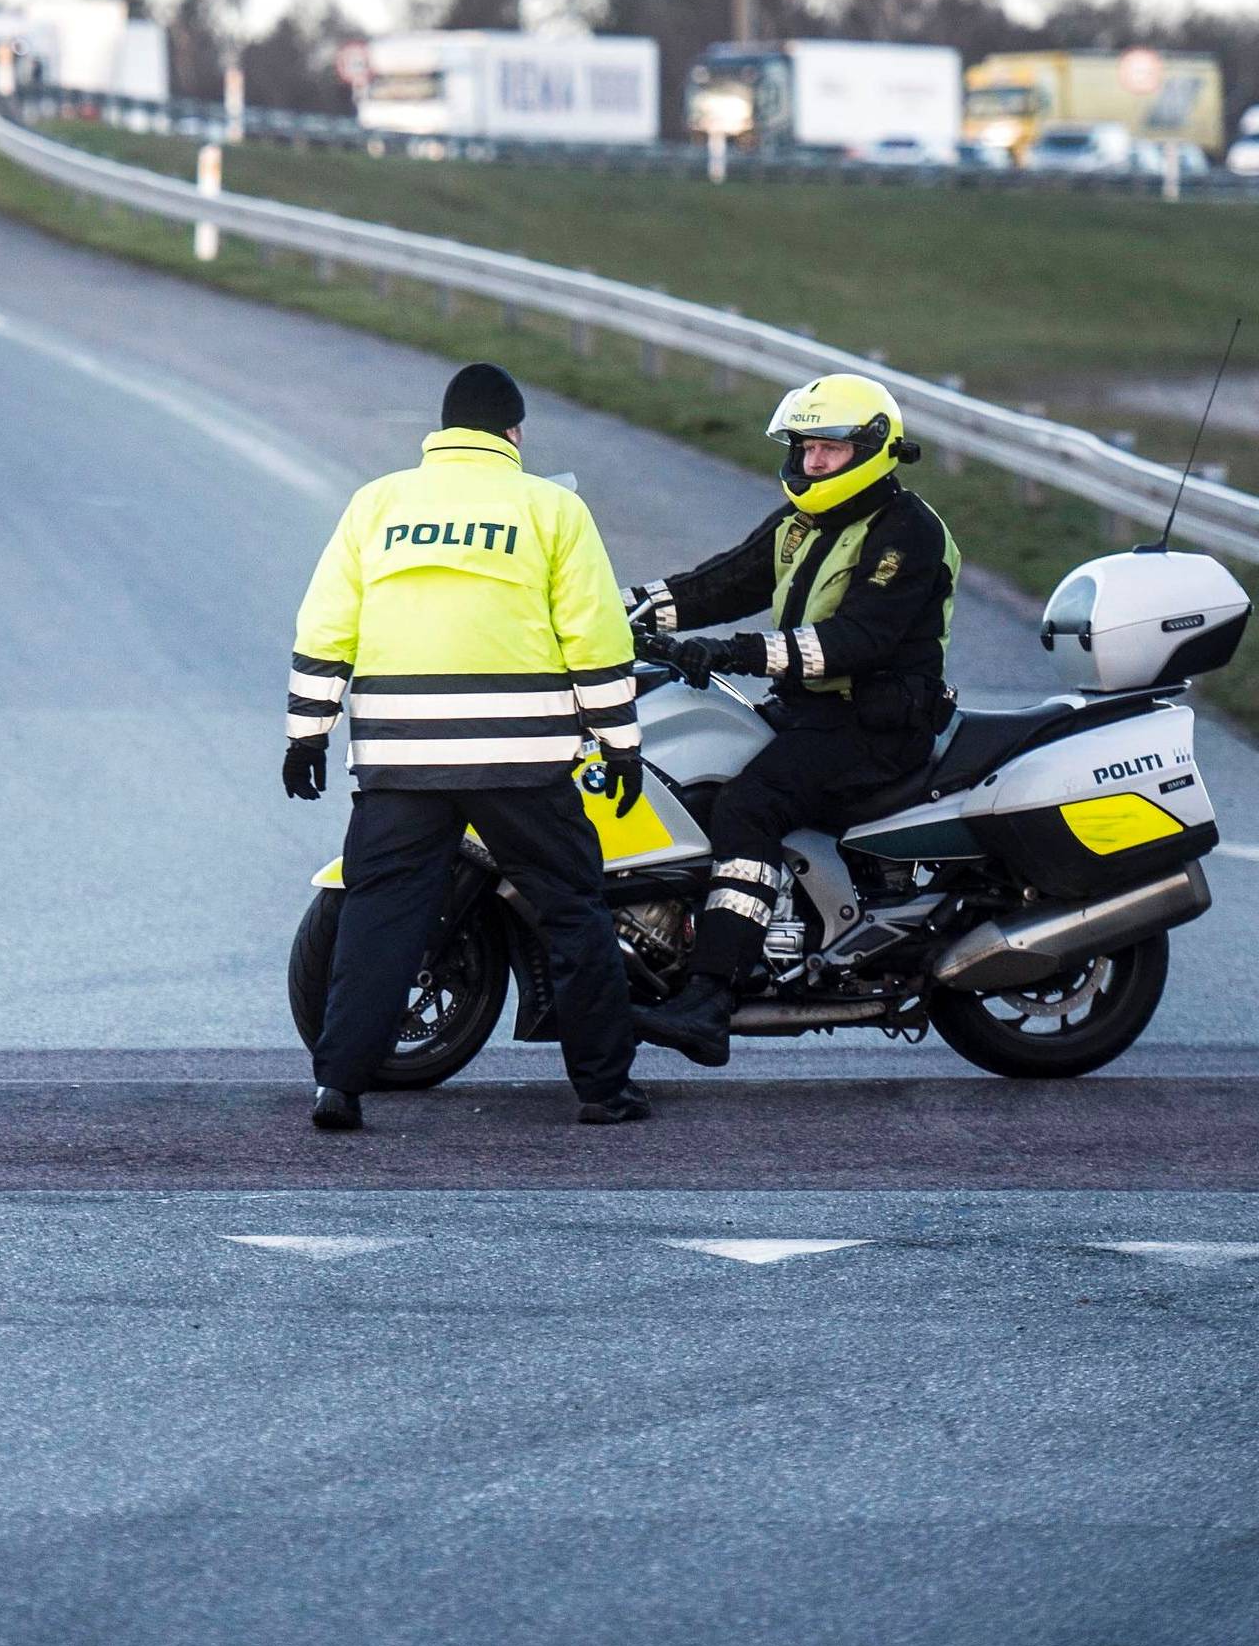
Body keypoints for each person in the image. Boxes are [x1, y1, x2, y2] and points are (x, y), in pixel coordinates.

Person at [284, 363, 647, 1131]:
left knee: (379, 919)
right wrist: (620, 743)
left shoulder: (377, 503)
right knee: (572, 912)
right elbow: (595, 634)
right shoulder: (551, 508)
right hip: (520, 760)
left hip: (400, 761)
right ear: (514, 432)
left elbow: (326, 626)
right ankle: (604, 1092)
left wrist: (307, 732)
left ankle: (338, 1087)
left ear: (442, 432)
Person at [627, 373, 958, 1067]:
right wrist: (616, 607)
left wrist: (735, 652)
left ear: (873, 448)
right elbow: (720, 583)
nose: (811, 463)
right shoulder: (803, 523)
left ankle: (711, 999)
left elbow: (854, 642)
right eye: (804, 447)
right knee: (704, 771)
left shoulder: (908, 533)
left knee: (750, 806)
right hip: (810, 715)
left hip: (874, 729)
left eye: (829, 450)